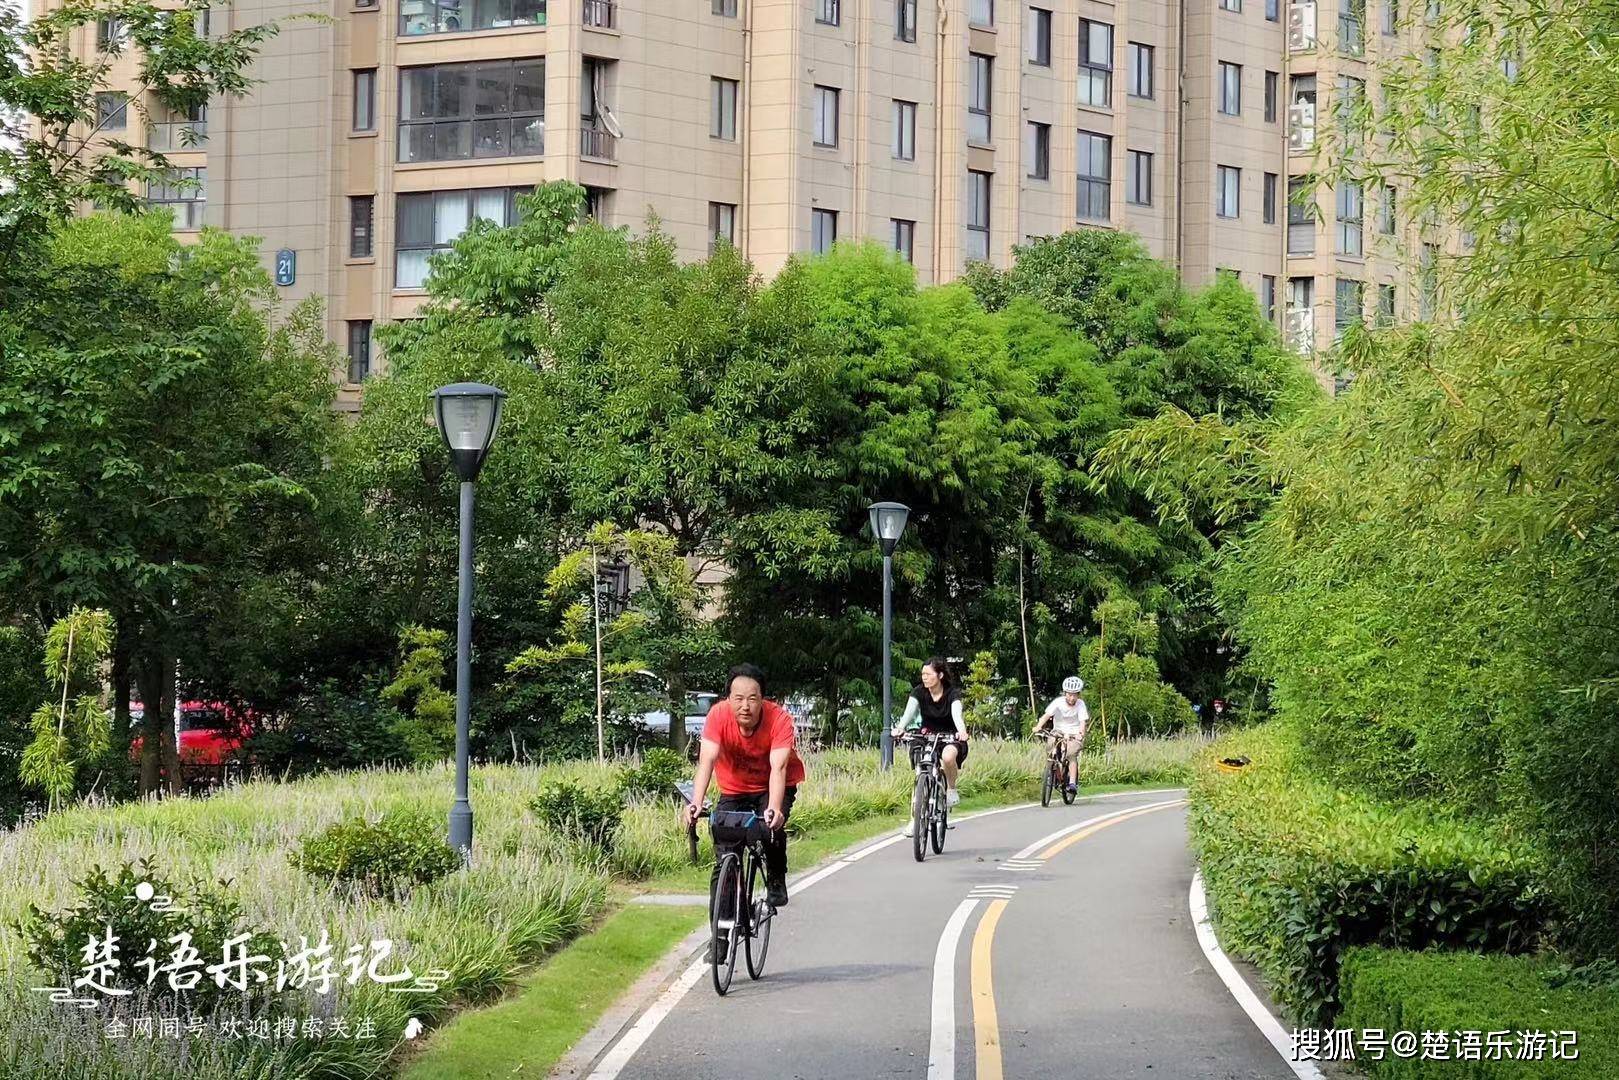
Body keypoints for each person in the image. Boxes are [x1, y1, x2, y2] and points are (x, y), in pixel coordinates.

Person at [684, 664, 805, 930]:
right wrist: (696, 802)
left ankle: (776, 874)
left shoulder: (779, 719)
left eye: (752, 698)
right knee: (725, 852)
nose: (745, 706)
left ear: (763, 699)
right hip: (734, 789)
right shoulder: (717, 716)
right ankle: (721, 937)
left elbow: (779, 768)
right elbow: (706, 761)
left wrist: (774, 809)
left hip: (774, 785)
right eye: (738, 699)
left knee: (767, 828)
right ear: (728, 699)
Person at [891, 657, 969, 835]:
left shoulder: (952, 694)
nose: (924, 677)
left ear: (940, 675)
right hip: (926, 734)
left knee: (948, 757)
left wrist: (962, 731)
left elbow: (957, 715)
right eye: (922, 674)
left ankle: (951, 789)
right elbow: (908, 714)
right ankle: (915, 819)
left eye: (928, 674)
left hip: (949, 735)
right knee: (920, 769)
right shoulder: (919, 692)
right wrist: (900, 728)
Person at [1034, 676, 1089, 796]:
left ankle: (1072, 783)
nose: (1072, 698)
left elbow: (1082, 722)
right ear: (1065, 693)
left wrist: (1081, 734)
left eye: (1075, 695)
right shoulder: (1058, 702)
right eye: (1069, 694)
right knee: (1050, 746)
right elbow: (1047, 716)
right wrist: (1038, 726)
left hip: (1074, 733)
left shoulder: (1081, 705)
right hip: (1058, 731)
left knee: (1071, 754)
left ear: (1078, 695)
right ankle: (1052, 770)